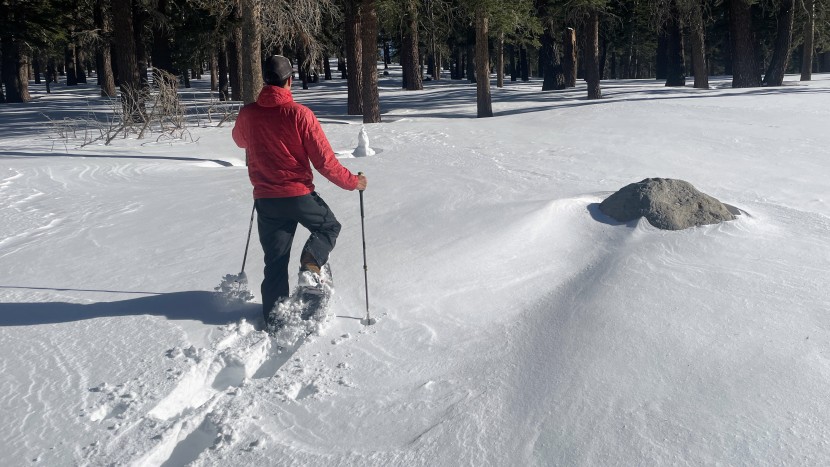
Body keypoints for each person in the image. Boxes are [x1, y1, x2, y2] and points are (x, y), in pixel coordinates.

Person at [232, 55, 368, 321]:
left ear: (266, 80)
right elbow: (324, 162)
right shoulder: (299, 114)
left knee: (275, 262)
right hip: (298, 195)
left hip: (266, 199)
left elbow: (239, 140)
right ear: (290, 81)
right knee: (329, 226)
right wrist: (353, 182)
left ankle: (274, 317)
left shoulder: (248, 113)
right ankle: (310, 266)